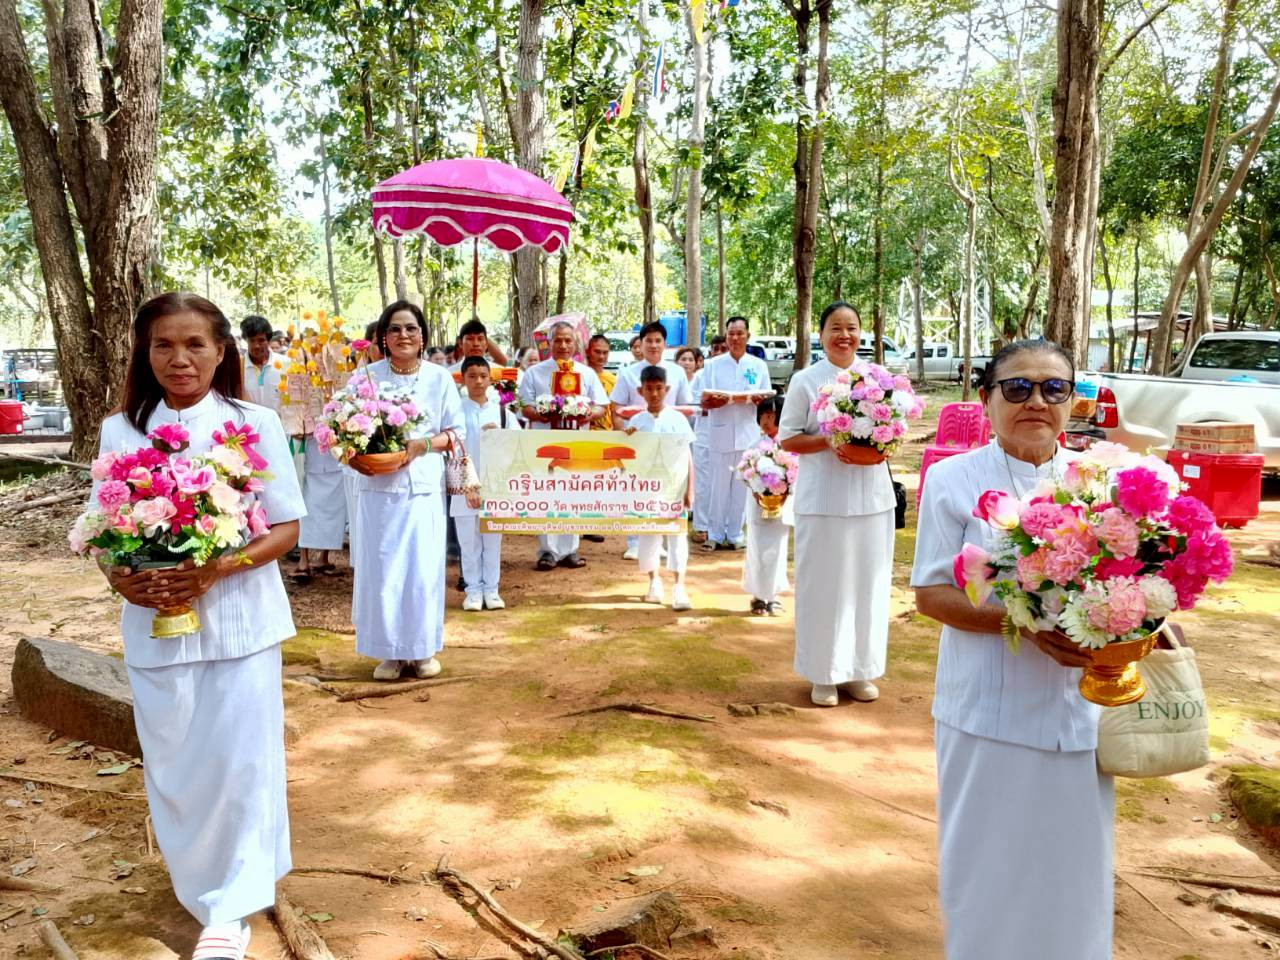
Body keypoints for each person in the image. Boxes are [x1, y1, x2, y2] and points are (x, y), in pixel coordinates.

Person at [93, 292, 303, 960]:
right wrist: (118, 575)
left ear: (221, 352)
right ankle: (201, 884)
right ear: (144, 353)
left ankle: (229, 908)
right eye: (163, 345)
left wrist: (218, 567)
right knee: (176, 762)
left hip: (241, 621)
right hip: (156, 622)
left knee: (241, 761)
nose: (179, 359)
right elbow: (103, 533)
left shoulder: (253, 424)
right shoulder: (119, 431)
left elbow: (289, 527)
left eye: (195, 345)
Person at [910, 340, 1108, 960]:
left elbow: (1131, 577)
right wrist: (1020, 624)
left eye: (1054, 388)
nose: (1036, 401)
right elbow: (932, 595)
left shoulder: (1102, 483)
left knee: (1072, 870)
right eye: (1017, 388)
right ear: (986, 399)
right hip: (984, 712)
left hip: (1079, 713)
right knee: (987, 869)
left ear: (1072, 401)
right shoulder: (951, 479)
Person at [778, 302, 894, 706]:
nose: (845, 335)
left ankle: (861, 671)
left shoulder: (878, 379)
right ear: (822, 333)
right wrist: (831, 440)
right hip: (823, 499)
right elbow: (788, 438)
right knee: (824, 588)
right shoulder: (806, 381)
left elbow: (892, 430)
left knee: (867, 588)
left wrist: (882, 439)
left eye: (852, 328)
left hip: (872, 499)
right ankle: (823, 674)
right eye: (835, 328)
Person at [349, 300, 464, 681]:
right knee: (382, 568)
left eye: (411, 329)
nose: (403, 335)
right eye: (395, 329)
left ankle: (421, 651)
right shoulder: (364, 378)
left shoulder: (440, 378)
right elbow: (342, 429)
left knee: (420, 568)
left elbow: (456, 434)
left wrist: (423, 446)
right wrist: (356, 452)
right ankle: (387, 653)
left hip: (422, 490)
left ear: (423, 336)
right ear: (383, 336)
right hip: (378, 487)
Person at [518, 321, 608, 570]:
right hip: (545, 443)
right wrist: (542, 414)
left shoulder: (587, 373)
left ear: (575, 343)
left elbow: (601, 405)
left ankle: (571, 550)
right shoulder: (535, 372)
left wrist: (586, 414)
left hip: (578, 442)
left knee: (573, 493)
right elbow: (524, 406)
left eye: (568, 340)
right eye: (558, 340)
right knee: (547, 494)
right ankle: (547, 551)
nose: (563, 345)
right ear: (549, 343)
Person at [611, 322, 694, 559]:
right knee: (639, 488)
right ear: (641, 344)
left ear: (664, 344)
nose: (653, 345)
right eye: (648, 341)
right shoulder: (628, 372)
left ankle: (668, 538)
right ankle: (635, 541)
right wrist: (624, 435)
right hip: (639, 442)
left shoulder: (677, 372)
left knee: (669, 487)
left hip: (670, 442)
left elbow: (686, 405)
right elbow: (616, 408)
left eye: (658, 340)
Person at [695, 316, 771, 551]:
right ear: (726, 336)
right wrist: (714, 403)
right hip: (719, 433)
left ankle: (736, 534)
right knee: (717, 487)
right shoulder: (713, 365)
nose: (735, 338)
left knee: (741, 487)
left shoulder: (758, 366)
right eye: (731, 334)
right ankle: (715, 534)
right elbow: (702, 401)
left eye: (740, 333)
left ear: (748, 335)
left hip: (748, 434)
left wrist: (760, 400)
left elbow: (767, 397)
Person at [453, 356, 521, 611]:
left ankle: (492, 589)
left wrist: (501, 436)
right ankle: (472, 590)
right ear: (463, 379)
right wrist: (466, 484)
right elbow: (451, 450)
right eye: (472, 376)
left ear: (491, 378)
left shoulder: (503, 412)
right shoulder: (456, 411)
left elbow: (518, 446)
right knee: (469, 542)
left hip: (495, 486)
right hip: (464, 486)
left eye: (483, 376)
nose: (478, 381)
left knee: (492, 540)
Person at [626, 365, 693, 611]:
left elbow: (687, 455)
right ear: (640, 391)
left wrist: (690, 489)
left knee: (678, 537)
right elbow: (630, 455)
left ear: (667, 389)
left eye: (658, 389)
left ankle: (679, 586)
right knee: (648, 536)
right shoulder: (636, 421)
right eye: (649, 389)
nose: (654, 394)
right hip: (647, 491)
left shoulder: (678, 420)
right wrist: (628, 437)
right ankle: (654, 582)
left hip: (675, 488)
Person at [742, 396, 793, 616]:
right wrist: (755, 489)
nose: (766, 420)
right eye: (762, 415)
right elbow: (745, 471)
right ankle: (758, 596)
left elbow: (795, 471)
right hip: (757, 504)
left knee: (777, 550)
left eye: (771, 416)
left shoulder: (787, 444)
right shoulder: (754, 445)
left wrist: (783, 492)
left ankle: (773, 596)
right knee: (756, 549)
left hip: (780, 504)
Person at [677, 346, 711, 545]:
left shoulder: (699, 377)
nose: (687, 363)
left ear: (697, 362)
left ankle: (698, 514)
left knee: (700, 476)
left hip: (698, 434)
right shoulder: (677, 379)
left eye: (690, 359)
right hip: (682, 434)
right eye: (683, 359)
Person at [241, 315, 282, 411]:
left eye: (261, 340)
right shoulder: (238, 367)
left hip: (279, 424)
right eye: (252, 341)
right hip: (250, 425)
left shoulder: (285, 364)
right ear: (246, 340)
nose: (256, 346)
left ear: (269, 340)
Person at [586, 333, 618, 431]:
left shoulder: (613, 379)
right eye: (597, 352)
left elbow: (615, 410)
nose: (601, 356)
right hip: (584, 430)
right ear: (587, 351)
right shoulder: (581, 376)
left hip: (607, 432)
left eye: (605, 352)